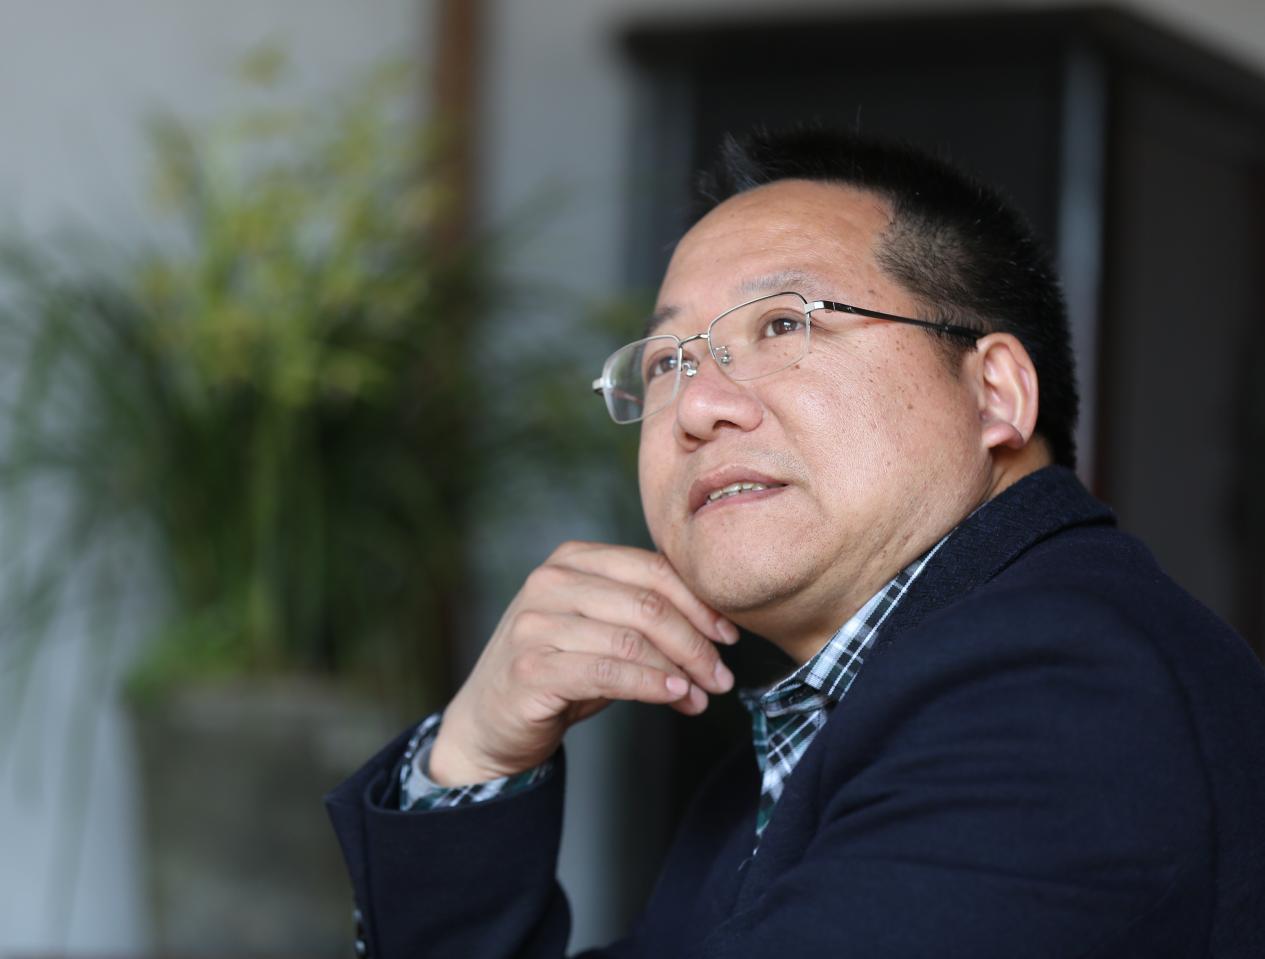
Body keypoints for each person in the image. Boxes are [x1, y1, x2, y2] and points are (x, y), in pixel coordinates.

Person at [325, 128, 1265, 958]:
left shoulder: (1056, 682)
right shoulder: (816, 740)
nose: (697, 405)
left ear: (994, 393)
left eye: (783, 323)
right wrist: (475, 758)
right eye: (668, 361)